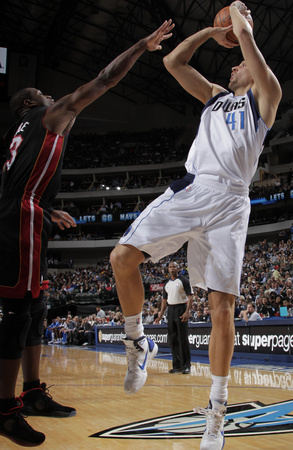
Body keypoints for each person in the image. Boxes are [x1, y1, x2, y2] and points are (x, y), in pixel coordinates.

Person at [110, 2, 281, 449]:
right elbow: (172, 62)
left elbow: (257, 63)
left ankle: (217, 416)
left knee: (222, 309)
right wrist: (211, 30)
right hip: (193, 188)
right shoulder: (214, 97)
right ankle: (136, 344)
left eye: (240, 63)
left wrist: (241, 27)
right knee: (121, 257)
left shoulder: (265, 99)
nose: (234, 65)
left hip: (231, 203)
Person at [0, 20, 175, 447]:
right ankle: (4, 409)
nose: (51, 96)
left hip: (27, 214)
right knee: (19, 315)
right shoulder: (43, 117)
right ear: (30, 104)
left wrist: (44, 207)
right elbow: (104, 79)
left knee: (38, 310)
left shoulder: (17, 134)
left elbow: (14, 184)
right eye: (43, 94)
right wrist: (141, 44)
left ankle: (33, 392)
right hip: (19, 222)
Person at [155, 261, 193, 374]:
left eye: (174, 267)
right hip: (170, 310)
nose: (172, 269)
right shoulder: (166, 283)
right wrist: (160, 315)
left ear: (178, 268)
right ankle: (177, 365)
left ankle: (186, 365)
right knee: (173, 339)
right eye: (170, 267)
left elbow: (190, 297)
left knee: (183, 338)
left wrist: (187, 311)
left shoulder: (184, 280)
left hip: (181, 308)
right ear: (168, 269)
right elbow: (164, 301)